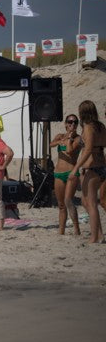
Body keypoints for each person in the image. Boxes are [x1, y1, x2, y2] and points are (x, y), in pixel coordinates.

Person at [70, 100, 106, 243]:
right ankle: (100, 234)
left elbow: (88, 149)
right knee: (86, 202)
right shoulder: (101, 126)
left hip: (91, 167)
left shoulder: (88, 127)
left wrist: (76, 167)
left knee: (90, 203)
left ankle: (94, 237)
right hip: (101, 165)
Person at [49, 114, 82, 235]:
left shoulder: (78, 138)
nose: (72, 124)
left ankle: (76, 229)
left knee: (68, 200)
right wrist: (60, 140)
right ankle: (61, 231)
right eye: (70, 122)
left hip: (71, 172)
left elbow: (69, 151)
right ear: (66, 124)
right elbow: (51, 144)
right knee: (61, 205)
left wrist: (69, 138)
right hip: (58, 173)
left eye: (75, 122)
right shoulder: (60, 136)